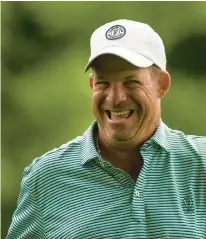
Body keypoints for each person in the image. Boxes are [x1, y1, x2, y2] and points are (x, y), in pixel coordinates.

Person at [6, 19, 206, 239]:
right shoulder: (45, 178)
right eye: (104, 84)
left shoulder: (201, 163)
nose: (116, 98)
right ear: (92, 85)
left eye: (131, 82)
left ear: (162, 84)